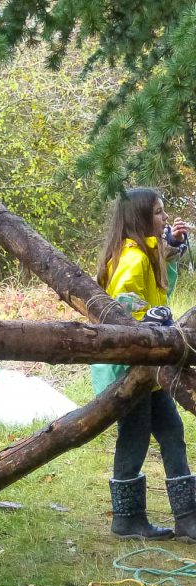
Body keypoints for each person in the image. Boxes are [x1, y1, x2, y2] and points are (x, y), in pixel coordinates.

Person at [92, 188, 196, 541]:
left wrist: (171, 253)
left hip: (148, 370)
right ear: (140, 218)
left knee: (171, 433)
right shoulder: (132, 257)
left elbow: (159, 292)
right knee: (134, 438)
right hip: (129, 370)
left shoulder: (145, 254)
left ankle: (187, 518)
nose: (165, 218)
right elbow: (120, 304)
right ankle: (127, 518)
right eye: (158, 213)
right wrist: (149, 314)